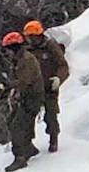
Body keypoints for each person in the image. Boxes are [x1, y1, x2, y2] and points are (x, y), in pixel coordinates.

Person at [23, 20, 70, 153]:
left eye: (32, 36)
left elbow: (63, 65)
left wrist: (58, 79)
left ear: (39, 35)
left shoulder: (51, 46)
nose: (30, 39)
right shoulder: (26, 50)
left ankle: (53, 139)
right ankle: (28, 144)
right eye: (28, 36)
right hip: (33, 89)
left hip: (49, 87)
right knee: (26, 117)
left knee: (51, 115)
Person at [1, 31, 45, 172]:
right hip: (26, 96)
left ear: (14, 48)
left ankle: (20, 157)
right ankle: (29, 148)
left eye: (7, 49)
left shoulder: (27, 60)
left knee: (18, 125)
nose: (6, 52)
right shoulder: (18, 59)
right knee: (12, 120)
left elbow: (24, 82)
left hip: (33, 97)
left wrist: (8, 87)